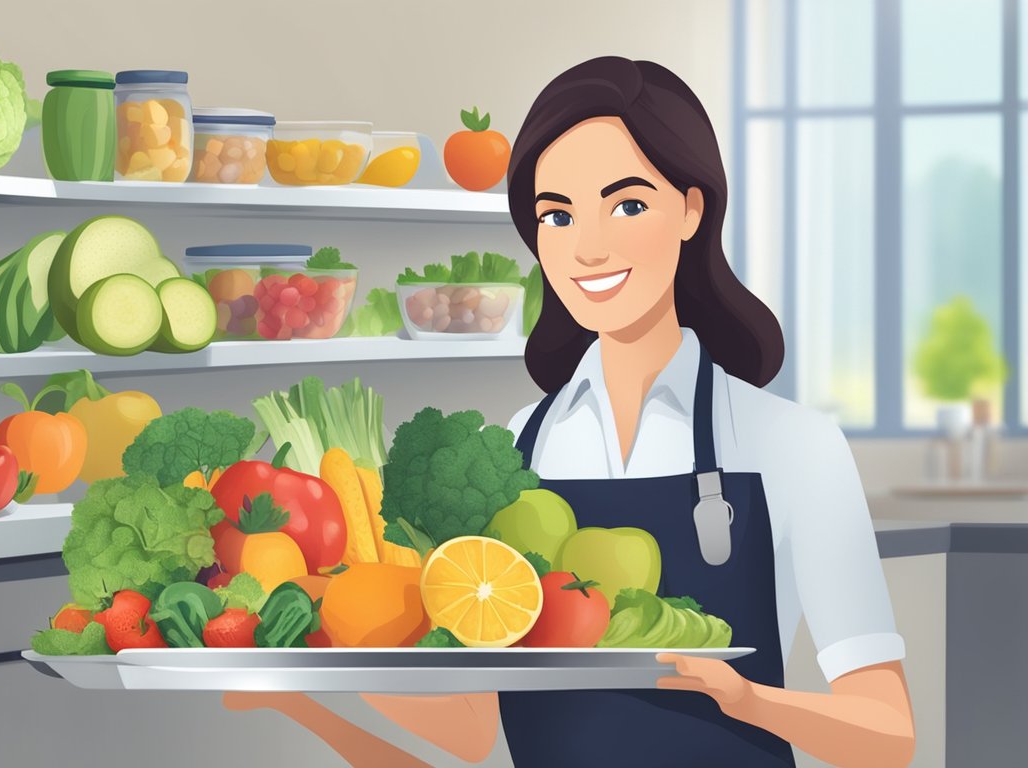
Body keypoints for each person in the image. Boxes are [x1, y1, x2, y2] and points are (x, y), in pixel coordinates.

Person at [224, 57, 916, 767]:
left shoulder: (794, 444)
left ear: (691, 207)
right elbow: (468, 734)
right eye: (557, 214)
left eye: (627, 205)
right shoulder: (518, 448)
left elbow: (888, 737)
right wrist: (303, 680)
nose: (587, 247)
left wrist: (744, 700)